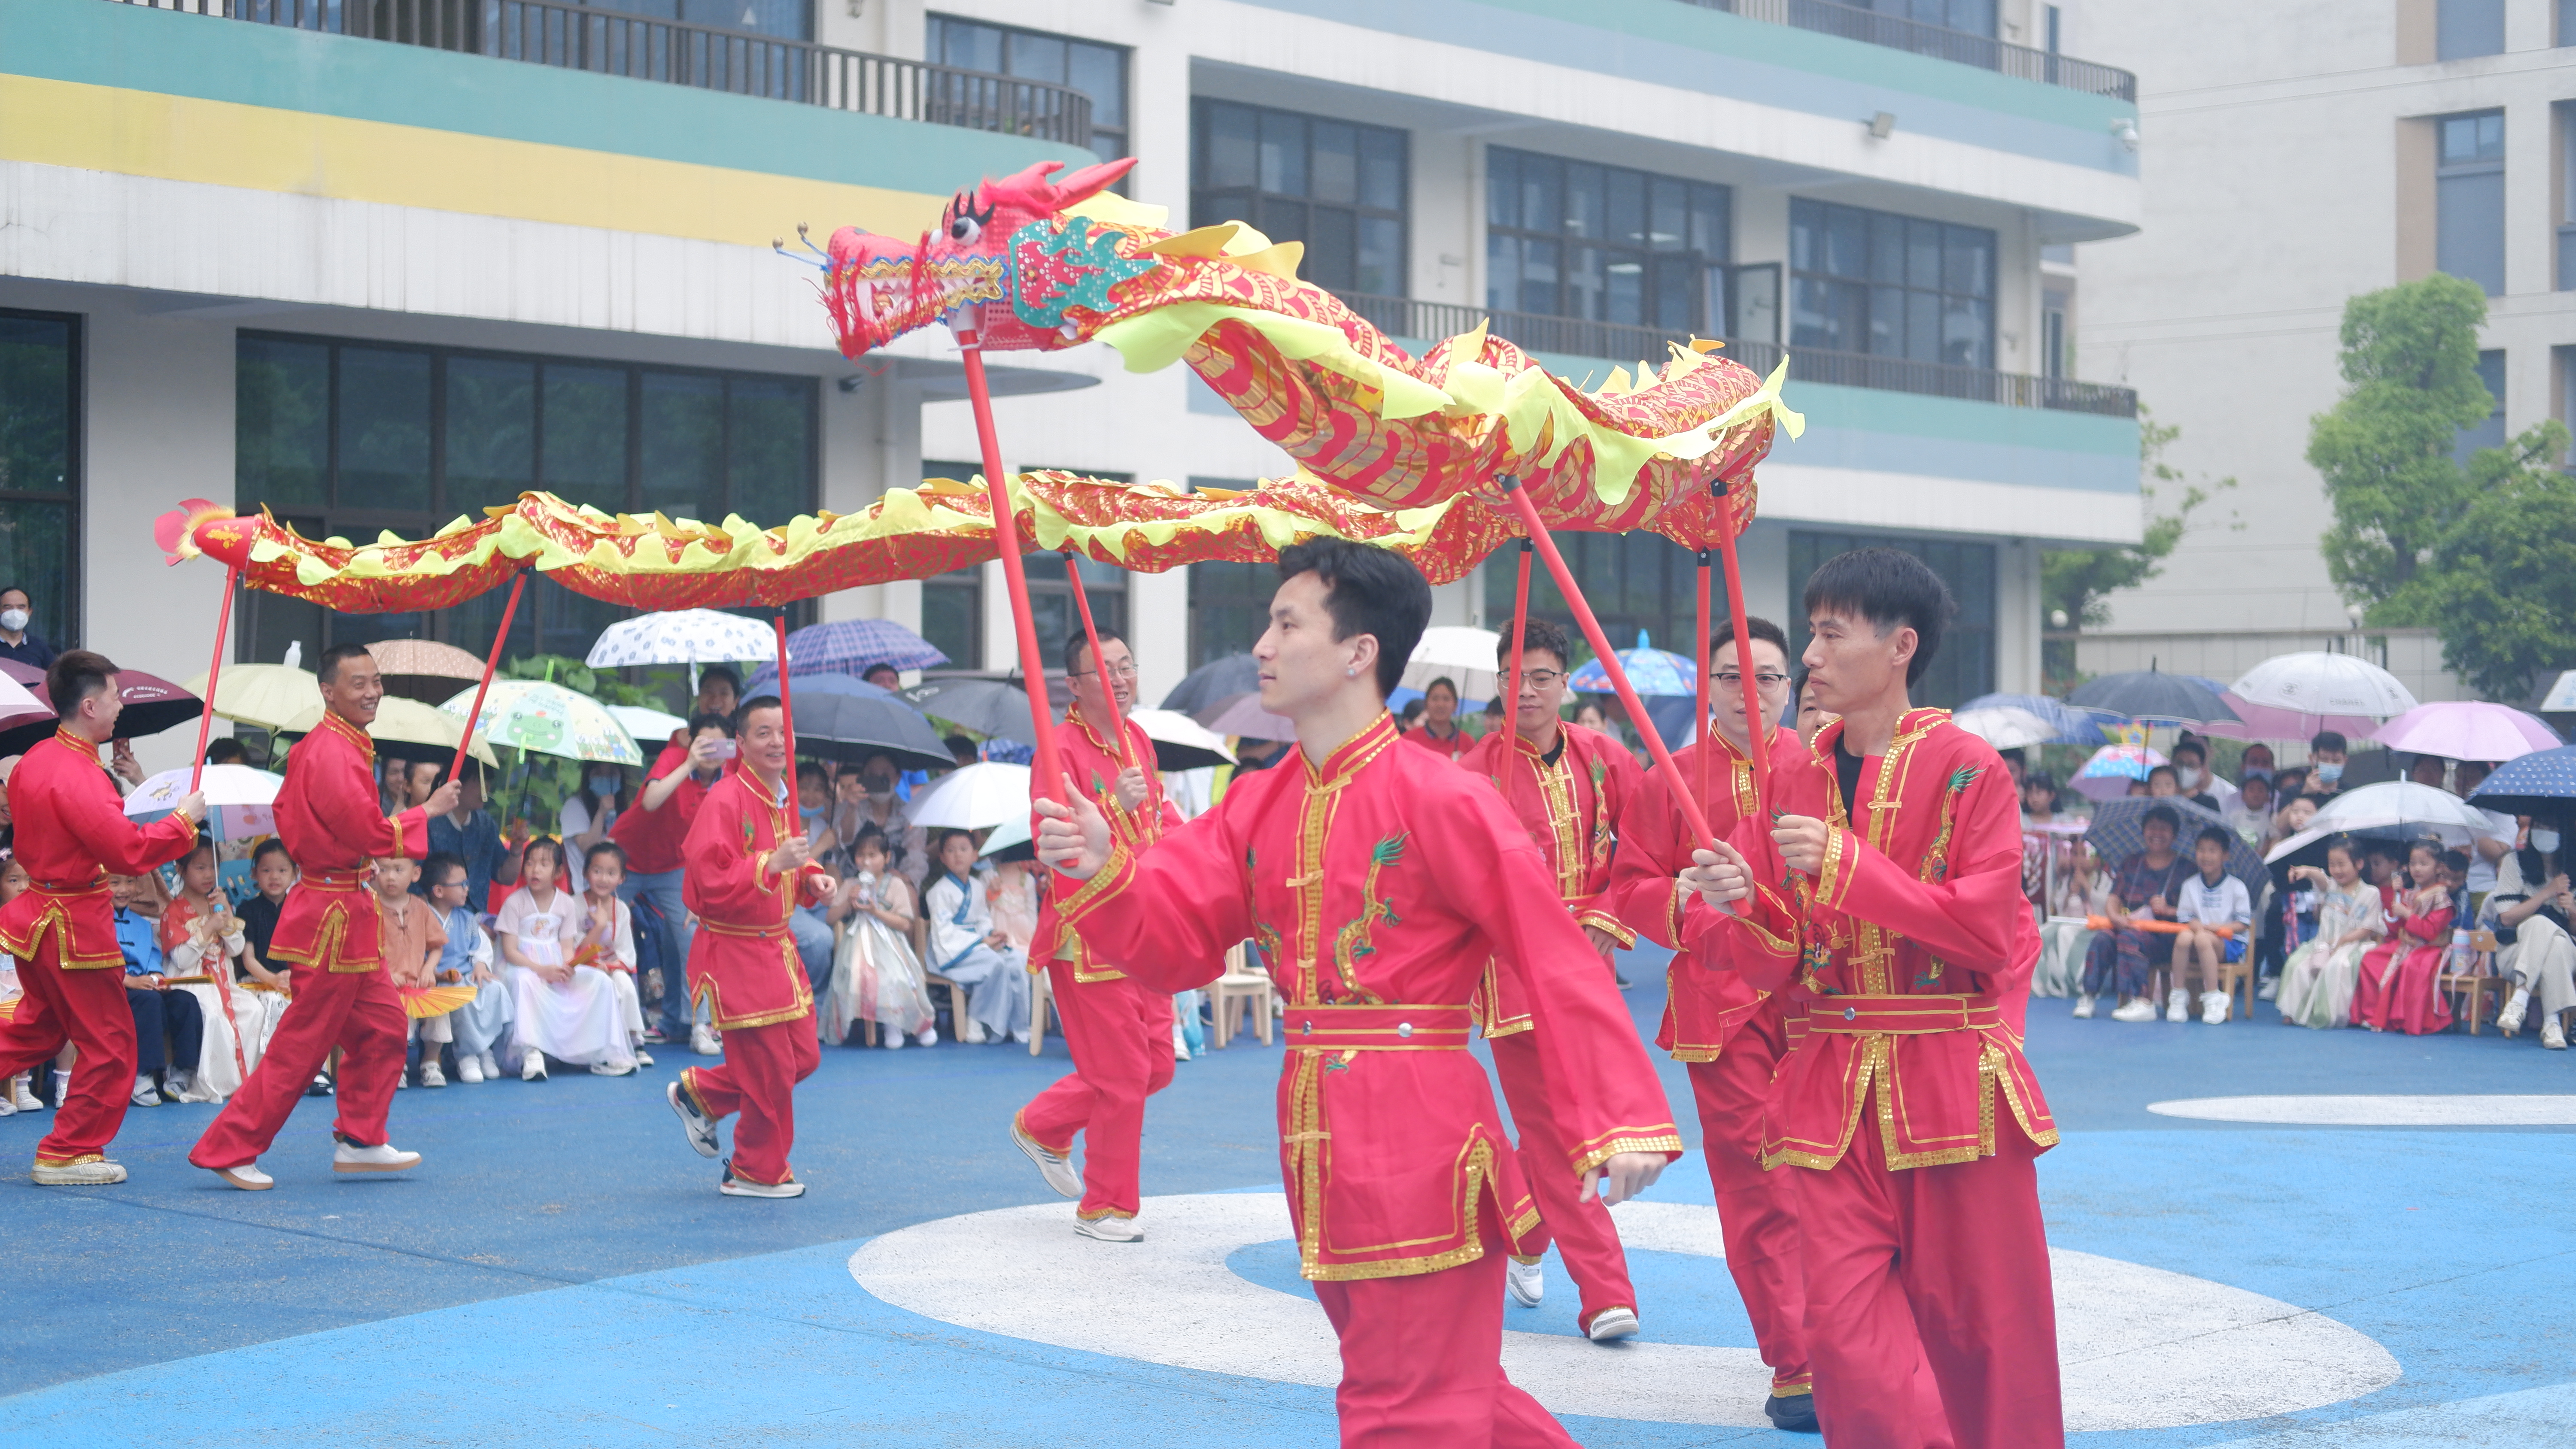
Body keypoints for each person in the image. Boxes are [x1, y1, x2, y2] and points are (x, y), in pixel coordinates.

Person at [1036, 538, 1677, 1449]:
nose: (1262, 643)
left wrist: (1617, 1113)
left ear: (1358, 651)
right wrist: (1106, 865)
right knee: (1445, 1389)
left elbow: (1553, 951)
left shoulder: (1440, 796)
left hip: (1421, 1145)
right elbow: (1175, 933)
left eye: (1286, 622)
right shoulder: (1259, 801)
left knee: (1400, 1406)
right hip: (1318, 1141)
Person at [1681, 546, 2062, 1449]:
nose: (1810, 657)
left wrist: (1850, 867)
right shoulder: (1791, 779)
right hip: (1826, 1091)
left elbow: (1985, 934)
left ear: (1899, 646)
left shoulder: (1974, 771)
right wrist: (1745, 903)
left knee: (1986, 1338)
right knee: (1846, 1346)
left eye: (1827, 633)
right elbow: (1777, 964)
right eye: (1810, 633)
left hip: (1953, 1086)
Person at [1603, 614, 1818, 1428]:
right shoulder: (1670, 777)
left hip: (1814, 1001)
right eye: (1731, 676)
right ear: (1708, 686)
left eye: (1767, 676)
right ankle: (1796, 1363)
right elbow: (1627, 886)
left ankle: (1847, 1340)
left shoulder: (1823, 768)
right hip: (1720, 1010)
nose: (1750, 692)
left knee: (1833, 1178)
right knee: (1758, 1187)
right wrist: (1684, 901)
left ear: (1789, 685)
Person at [190, 643, 459, 1191]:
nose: (372, 691)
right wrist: (425, 809)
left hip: (345, 909)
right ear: (328, 691)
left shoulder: (341, 744)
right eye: (358, 683)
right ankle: (230, 1146)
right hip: (332, 916)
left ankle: (361, 1139)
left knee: (384, 1026)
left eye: (376, 681)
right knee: (303, 1042)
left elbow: (301, 816)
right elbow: (369, 833)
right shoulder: (334, 751)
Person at [1458, 617, 1648, 1346]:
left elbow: (1643, 845)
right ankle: (1605, 1290)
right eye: (1515, 678)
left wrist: (1609, 910)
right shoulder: (1473, 774)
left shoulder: (1605, 759)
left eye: (1542, 676)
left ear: (1566, 684)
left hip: (1588, 973)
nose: (1528, 691)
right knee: (1564, 1134)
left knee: (1572, 1128)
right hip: (1511, 976)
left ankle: (1523, 1225)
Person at [0, 649, 204, 1183]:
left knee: (35, 1030)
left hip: (38, 916)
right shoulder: (80, 775)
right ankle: (67, 1150)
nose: (120, 707)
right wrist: (183, 822)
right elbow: (128, 854)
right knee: (111, 1043)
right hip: (73, 927)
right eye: (115, 697)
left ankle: (70, 1145)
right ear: (89, 705)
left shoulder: (32, 761)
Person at [1009, 629, 1184, 1240]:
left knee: (1158, 1065)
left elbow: (1160, 819)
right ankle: (1106, 1205)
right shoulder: (1055, 754)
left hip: (1146, 926)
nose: (1121, 678)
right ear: (1074, 687)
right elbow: (1057, 844)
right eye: (1104, 670)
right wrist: (1115, 804)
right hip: (1088, 933)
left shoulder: (1138, 740)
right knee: (1123, 1076)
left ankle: (1045, 1124)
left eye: (1127, 665)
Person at [664, 695, 838, 1199]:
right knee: (771, 1072)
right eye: (763, 733)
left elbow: (792, 862)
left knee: (802, 1058)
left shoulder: (780, 796)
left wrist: (812, 879)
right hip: (738, 953)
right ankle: (754, 1169)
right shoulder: (725, 799)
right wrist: (772, 864)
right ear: (740, 743)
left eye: (783, 732)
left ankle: (702, 1094)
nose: (777, 741)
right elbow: (706, 881)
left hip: (777, 950)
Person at [614, 711, 734, 1055]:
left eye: (718, 744)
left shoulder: (728, 781)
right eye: (702, 743)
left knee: (692, 937)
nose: (711, 751)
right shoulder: (673, 758)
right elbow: (651, 801)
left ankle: (699, 1026)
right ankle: (618, 1024)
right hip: (626, 860)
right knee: (608, 932)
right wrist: (689, 762)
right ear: (690, 741)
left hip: (674, 868)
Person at [498, 837, 641, 1079]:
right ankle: (530, 1052)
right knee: (525, 982)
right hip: (523, 965)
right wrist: (540, 970)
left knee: (600, 982)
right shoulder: (515, 902)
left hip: (555, 965)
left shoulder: (565, 902)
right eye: (530, 863)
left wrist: (569, 967)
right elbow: (510, 951)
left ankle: (600, 1051)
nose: (535, 870)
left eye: (544, 864)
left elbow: (567, 948)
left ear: (559, 871)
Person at [161, 841, 279, 1102]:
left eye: (213, 868)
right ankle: (211, 1082)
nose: (208, 875)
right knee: (214, 1017)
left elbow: (236, 949)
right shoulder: (175, 910)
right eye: (200, 867)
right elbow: (181, 959)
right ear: (181, 869)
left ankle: (242, 1079)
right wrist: (208, 929)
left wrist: (226, 914)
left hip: (224, 981)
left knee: (253, 1010)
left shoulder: (217, 903)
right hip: (193, 982)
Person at [823, 827, 935, 1047]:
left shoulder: (896, 884)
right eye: (861, 856)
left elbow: (904, 923)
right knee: (860, 976)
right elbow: (830, 918)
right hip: (857, 944)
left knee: (897, 977)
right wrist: (848, 902)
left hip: (891, 943)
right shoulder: (850, 884)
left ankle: (903, 1025)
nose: (866, 861)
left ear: (887, 858)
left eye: (873, 856)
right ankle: (887, 1026)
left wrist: (876, 912)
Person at [2078, 804, 2189, 1023]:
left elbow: (2194, 912)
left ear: (2174, 834)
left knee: (2130, 939)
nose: (2157, 834)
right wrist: (2115, 917)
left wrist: (2168, 910)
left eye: (2164, 829)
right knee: (2102, 939)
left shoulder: (2186, 867)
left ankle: (2142, 1001)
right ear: (2143, 831)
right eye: (2152, 828)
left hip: (2165, 937)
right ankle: (2088, 996)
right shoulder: (2132, 862)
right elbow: (2114, 897)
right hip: (2128, 925)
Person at [923, 829, 1031, 1044]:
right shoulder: (937, 892)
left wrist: (991, 933)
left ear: (975, 855)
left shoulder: (977, 886)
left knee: (1017, 960)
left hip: (976, 945)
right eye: (951, 851)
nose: (958, 855)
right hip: (950, 951)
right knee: (993, 964)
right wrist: (981, 942)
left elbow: (982, 918)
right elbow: (944, 932)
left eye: (964, 850)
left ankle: (1019, 1025)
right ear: (942, 858)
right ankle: (977, 1020)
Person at [421, 852, 512, 1082]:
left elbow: (480, 946)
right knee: (460, 996)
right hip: (436, 981)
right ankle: (466, 1055)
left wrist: (480, 965)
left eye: (467, 883)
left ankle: (486, 1050)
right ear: (439, 891)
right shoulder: (421, 917)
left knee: (495, 989)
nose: (466, 889)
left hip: (465, 975)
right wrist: (436, 973)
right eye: (461, 884)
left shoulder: (467, 918)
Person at [115, 872, 203, 1108]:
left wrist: (158, 977)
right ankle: (142, 1073)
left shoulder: (142, 925)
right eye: (115, 882)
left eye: (129, 881)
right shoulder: (92, 921)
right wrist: (128, 980)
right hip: (112, 989)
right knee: (149, 1001)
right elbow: (93, 962)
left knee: (185, 1001)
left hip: (144, 988)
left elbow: (154, 958)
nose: (123, 889)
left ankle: (183, 1070)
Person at [2276, 839, 2383, 1030]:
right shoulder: (2332, 886)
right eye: (2333, 865)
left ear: (2359, 864)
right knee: (2297, 963)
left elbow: (2368, 928)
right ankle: (2293, 1011)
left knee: (2337, 966)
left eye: (2342, 864)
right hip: (2323, 942)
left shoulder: (2370, 893)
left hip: (2353, 944)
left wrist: (2343, 941)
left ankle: (2327, 1014)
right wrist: (2306, 872)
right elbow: (2320, 877)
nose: (2337, 870)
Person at [2354, 840, 2454, 1035]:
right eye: (2413, 863)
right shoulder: (2411, 892)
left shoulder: (2443, 898)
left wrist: (2408, 914)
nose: (2417, 869)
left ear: (2439, 867)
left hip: (2430, 949)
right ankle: (2372, 1014)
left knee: (2410, 967)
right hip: (2407, 944)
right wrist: (2397, 895)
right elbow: (2393, 925)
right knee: (2370, 959)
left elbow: (2431, 931)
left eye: (2423, 864)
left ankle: (2404, 1018)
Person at [2489, 820, 2573, 1048]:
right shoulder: (2513, 862)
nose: (2544, 832)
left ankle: (2520, 1000)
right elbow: (2507, 917)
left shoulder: (2571, 871)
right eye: (2540, 825)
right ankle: (2552, 1022)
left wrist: (2573, 911)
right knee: (2540, 924)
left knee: (2557, 943)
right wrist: (2547, 893)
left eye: (2552, 827)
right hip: (2515, 953)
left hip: (2568, 957)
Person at [371, 855, 451, 1087]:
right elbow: (364, 950)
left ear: (415, 874)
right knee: (398, 1016)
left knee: (440, 1011)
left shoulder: (420, 907)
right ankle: (396, 1066)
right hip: (387, 987)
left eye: (398, 869)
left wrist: (428, 969)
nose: (391, 877)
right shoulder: (371, 906)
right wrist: (383, 972)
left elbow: (437, 947)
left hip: (419, 986)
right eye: (384, 870)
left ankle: (430, 1063)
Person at [2170, 827, 2252, 1023]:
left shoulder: (2237, 887)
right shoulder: (2190, 885)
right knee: (2184, 937)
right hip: (2197, 937)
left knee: (2203, 939)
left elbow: (2243, 924)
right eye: (2201, 850)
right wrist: (2195, 923)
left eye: (2212, 850)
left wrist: (2221, 929)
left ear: (2225, 856)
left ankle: (2213, 997)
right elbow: (2185, 918)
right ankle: (2178, 996)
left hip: (2228, 943)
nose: (2206, 856)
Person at [425, 760, 523, 915]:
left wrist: (517, 847)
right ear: (458, 784)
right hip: (436, 916)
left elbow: (505, 876)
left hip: (478, 918)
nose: (487, 789)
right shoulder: (430, 823)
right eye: (480, 782)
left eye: (488, 783)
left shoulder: (485, 823)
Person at [560, 763, 627, 860]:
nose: (605, 778)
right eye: (598, 773)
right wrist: (601, 813)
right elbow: (588, 848)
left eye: (612, 773)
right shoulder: (574, 806)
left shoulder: (623, 808)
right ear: (588, 776)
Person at [1401, 675, 1474, 761]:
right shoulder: (1409, 739)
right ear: (1426, 703)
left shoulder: (1467, 742)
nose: (1440, 705)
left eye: (1446, 699)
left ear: (1455, 705)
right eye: (1435, 699)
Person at [0, 585, 57, 671]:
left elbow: (55, 680)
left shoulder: (40, 648)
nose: (15, 612)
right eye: (8, 607)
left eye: (21, 607)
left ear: (30, 612)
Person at [2307, 731, 2348, 795]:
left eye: (2336, 761)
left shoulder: (2351, 794)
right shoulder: (2293, 793)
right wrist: (2305, 794)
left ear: (2345, 761)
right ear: (2311, 759)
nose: (2330, 764)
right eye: (2323, 760)